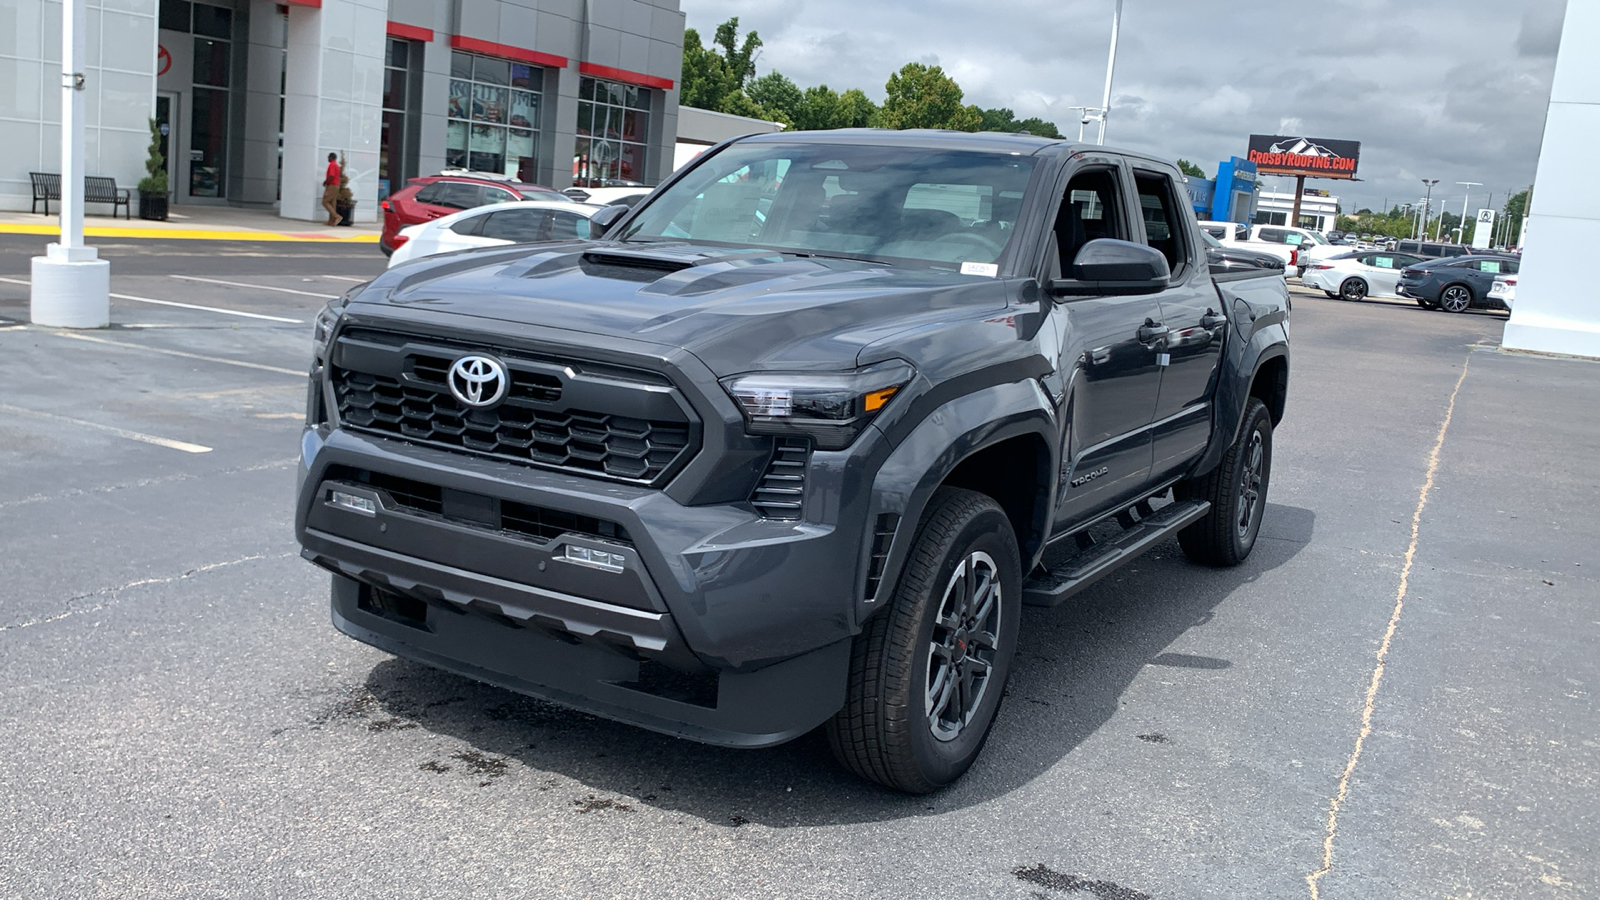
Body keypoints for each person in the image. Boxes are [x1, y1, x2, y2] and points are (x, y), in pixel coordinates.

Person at [322, 152, 342, 226]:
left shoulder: (332, 165)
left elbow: (331, 175)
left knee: (325, 202)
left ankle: (337, 216)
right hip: (336, 185)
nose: (328, 159)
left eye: (328, 157)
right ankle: (332, 221)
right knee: (332, 203)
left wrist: (326, 182)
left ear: (331, 157)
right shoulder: (336, 165)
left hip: (332, 185)